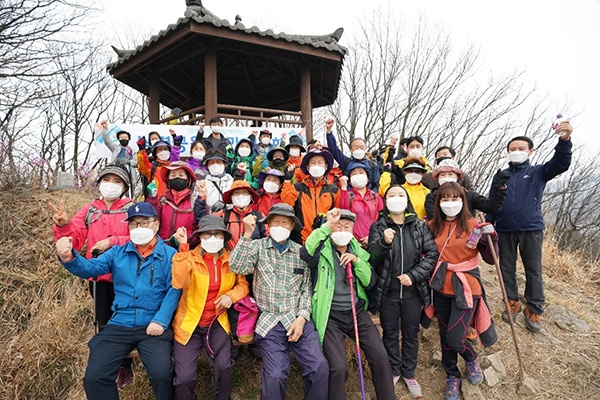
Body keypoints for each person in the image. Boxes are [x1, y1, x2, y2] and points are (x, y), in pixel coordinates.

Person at [55, 202, 181, 400]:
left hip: (153, 325)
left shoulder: (170, 256)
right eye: (133, 224)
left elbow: (175, 288)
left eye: (144, 223)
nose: (139, 228)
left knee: (162, 374)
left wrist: (161, 320)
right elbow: (90, 269)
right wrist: (69, 257)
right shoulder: (118, 253)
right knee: (95, 377)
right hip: (120, 323)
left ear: (156, 225)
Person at [229, 203, 329, 400]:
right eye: (276, 222)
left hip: (297, 318)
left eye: (285, 222)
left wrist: (302, 318)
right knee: (275, 373)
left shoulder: (301, 252)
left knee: (319, 366)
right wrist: (247, 234)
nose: (280, 226)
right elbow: (238, 266)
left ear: (292, 226)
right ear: (268, 225)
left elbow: (306, 289)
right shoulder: (257, 247)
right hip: (269, 321)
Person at [50, 165, 135, 387]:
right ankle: (111, 365)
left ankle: (127, 364)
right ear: (98, 183)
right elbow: (75, 238)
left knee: (127, 321)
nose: (111, 184)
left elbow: (142, 236)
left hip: (128, 276)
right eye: (107, 179)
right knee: (103, 320)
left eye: (117, 181)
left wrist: (113, 241)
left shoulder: (131, 208)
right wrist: (63, 226)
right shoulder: (89, 210)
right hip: (98, 278)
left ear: (124, 187)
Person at [489, 123, 573, 332]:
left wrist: (564, 141)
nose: (516, 152)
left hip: (531, 228)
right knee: (506, 268)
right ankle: (511, 301)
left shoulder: (538, 172)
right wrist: (489, 225)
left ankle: (534, 308)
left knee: (533, 270)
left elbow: (561, 164)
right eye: (513, 149)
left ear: (530, 151)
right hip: (504, 229)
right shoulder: (501, 175)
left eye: (521, 148)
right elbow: (492, 201)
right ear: (508, 152)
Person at [305, 208, 396, 400]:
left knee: (380, 356)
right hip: (330, 314)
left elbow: (370, 280)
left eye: (347, 227)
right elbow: (307, 252)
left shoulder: (357, 249)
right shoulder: (321, 248)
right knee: (338, 367)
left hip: (356, 311)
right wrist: (326, 227)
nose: (342, 230)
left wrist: (356, 262)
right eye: (338, 226)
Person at [427, 183, 499, 400]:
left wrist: (491, 237)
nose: (450, 204)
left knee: (455, 337)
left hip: (467, 286)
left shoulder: (473, 225)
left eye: (455, 199)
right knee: (444, 334)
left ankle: (471, 358)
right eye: (445, 199)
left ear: (463, 201)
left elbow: (490, 258)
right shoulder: (432, 226)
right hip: (441, 286)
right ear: (438, 202)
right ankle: (452, 375)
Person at [368, 184, 438, 398]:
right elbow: (372, 256)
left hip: (413, 293)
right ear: (385, 201)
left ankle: (409, 373)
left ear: (406, 200)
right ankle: (394, 369)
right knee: (389, 333)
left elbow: (432, 254)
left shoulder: (419, 225)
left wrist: (414, 275)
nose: (396, 198)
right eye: (391, 195)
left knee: (411, 334)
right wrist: (384, 243)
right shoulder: (379, 226)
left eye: (400, 195)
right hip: (388, 293)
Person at [171, 216, 249, 400]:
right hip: (189, 323)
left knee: (224, 367)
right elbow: (178, 282)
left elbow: (243, 285)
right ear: (200, 237)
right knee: (184, 378)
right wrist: (182, 247)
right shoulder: (188, 257)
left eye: (217, 234)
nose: (212, 238)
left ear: (223, 237)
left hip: (217, 322)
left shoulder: (231, 259)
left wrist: (230, 296)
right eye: (207, 234)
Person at [281, 149, 339, 243]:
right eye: (313, 162)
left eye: (320, 163)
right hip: (301, 239)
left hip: (325, 239)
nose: (316, 165)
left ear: (326, 166)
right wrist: (287, 181)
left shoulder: (334, 190)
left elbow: (337, 215)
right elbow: (287, 204)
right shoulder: (298, 188)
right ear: (307, 167)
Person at [424, 159, 509, 221]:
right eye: (442, 175)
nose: (446, 177)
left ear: (457, 177)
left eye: (450, 174)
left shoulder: (469, 195)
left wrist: (499, 188)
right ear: (437, 178)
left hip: (468, 236)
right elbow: (433, 218)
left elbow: (492, 207)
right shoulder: (432, 197)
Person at [148, 161, 198, 247]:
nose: (177, 177)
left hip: (188, 251)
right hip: (163, 249)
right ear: (168, 179)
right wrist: (152, 198)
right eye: (173, 175)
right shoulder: (162, 201)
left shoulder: (196, 202)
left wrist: (185, 239)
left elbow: (201, 229)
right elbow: (152, 221)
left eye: (181, 175)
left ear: (188, 179)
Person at [325, 118, 381, 191]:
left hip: (368, 198)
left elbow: (376, 184)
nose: (359, 149)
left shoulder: (373, 165)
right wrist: (329, 132)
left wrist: (373, 198)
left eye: (361, 147)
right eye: (356, 147)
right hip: (350, 197)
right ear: (351, 150)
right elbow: (334, 150)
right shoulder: (346, 162)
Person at [337, 159, 384, 247]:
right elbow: (343, 213)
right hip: (353, 243)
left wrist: (371, 237)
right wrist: (343, 187)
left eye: (361, 172)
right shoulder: (347, 195)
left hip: (374, 241)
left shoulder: (375, 196)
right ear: (350, 180)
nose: (358, 175)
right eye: (354, 174)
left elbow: (382, 220)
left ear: (367, 177)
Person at [216, 180, 267, 248]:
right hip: (228, 257)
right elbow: (206, 225)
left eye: (244, 192)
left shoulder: (260, 216)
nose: (240, 196)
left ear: (250, 196)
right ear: (231, 197)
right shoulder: (223, 214)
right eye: (236, 193)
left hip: (252, 257)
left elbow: (267, 237)